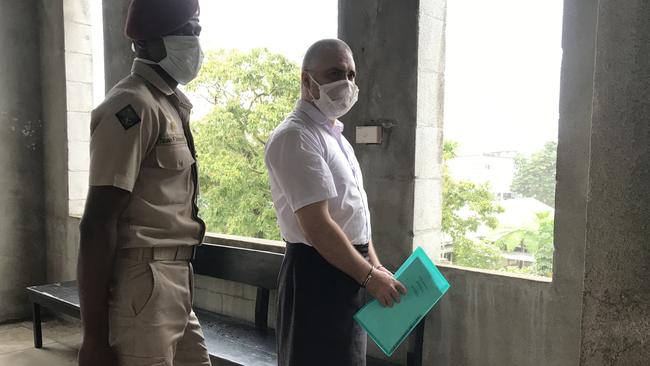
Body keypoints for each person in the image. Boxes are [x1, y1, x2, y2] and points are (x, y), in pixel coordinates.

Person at [76, 1, 210, 365]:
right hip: (143, 283)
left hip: (176, 281)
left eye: (196, 30)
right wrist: (93, 339)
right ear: (145, 43)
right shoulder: (131, 106)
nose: (194, 42)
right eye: (183, 32)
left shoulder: (168, 104)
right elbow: (97, 223)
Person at [264, 39, 408, 366]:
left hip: (347, 269)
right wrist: (369, 276)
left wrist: (375, 266)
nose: (347, 83)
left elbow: (353, 216)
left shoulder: (335, 137)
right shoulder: (296, 136)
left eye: (352, 75)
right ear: (306, 81)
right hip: (316, 273)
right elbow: (318, 226)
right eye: (335, 73)